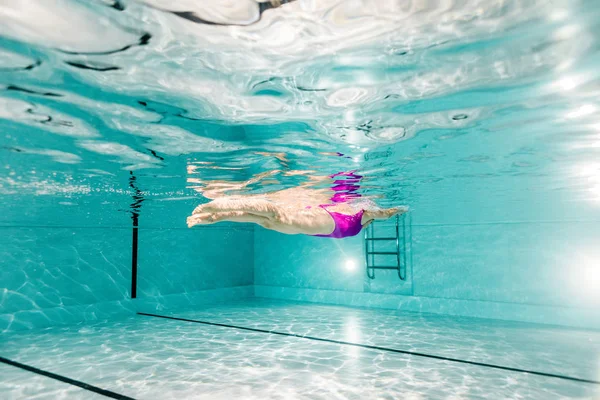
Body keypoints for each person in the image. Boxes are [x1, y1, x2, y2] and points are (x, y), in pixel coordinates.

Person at [186, 169, 408, 238]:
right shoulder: (364, 214)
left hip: (321, 222)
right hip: (321, 224)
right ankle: (218, 210)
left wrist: (397, 209)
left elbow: (384, 214)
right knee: (269, 219)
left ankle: (218, 211)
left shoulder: (362, 212)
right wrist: (398, 208)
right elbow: (384, 214)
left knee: (270, 218)